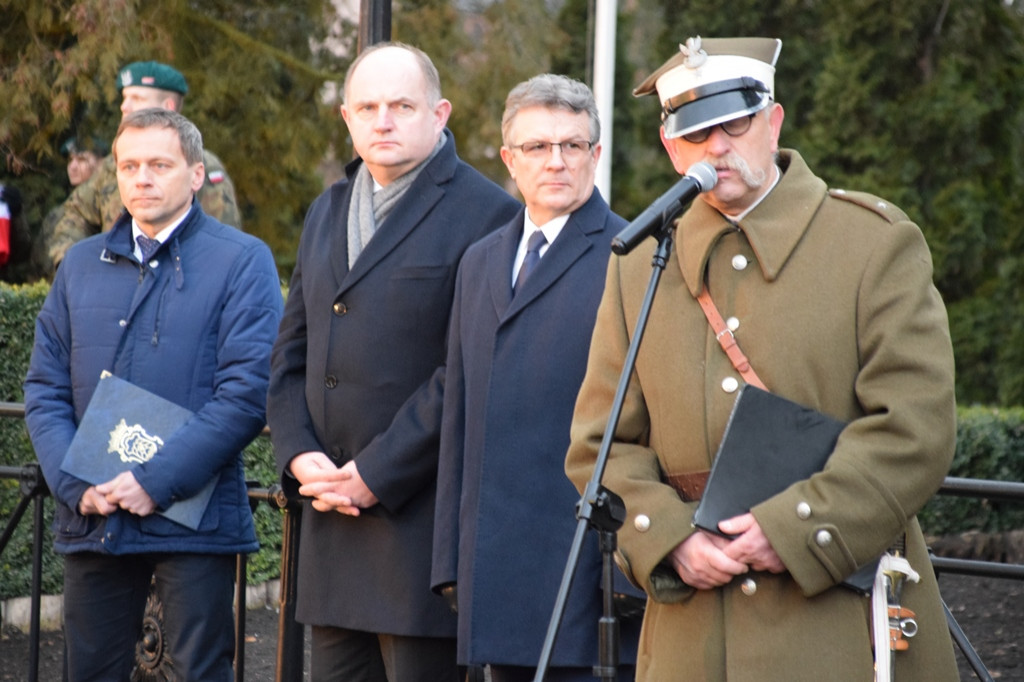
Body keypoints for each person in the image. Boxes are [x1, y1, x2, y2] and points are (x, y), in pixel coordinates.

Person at [564, 35, 959, 681]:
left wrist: (794, 528)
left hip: (835, 626)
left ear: (772, 122)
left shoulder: (872, 244)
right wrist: (668, 538)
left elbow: (915, 428)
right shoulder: (640, 265)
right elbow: (601, 444)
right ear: (670, 148)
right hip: (690, 633)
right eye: (695, 135)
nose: (717, 147)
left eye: (735, 124)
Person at [266, 42, 520, 682]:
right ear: (346, 118)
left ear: (439, 114)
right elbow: (291, 353)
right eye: (368, 107)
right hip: (328, 526)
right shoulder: (325, 211)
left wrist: (373, 473)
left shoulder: (490, 215)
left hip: (416, 539)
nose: (383, 120)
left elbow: (467, 370)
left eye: (401, 106)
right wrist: (299, 456)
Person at [24, 108, 283, 680]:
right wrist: (75, 487)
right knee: (88, 670)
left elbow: (247, 392)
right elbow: (44, 387)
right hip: (95, 518)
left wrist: (155, 481)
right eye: (129, 165)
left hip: (194, 519)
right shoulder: (80, 267)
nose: (142, 178)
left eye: (159, 165)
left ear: (195, 174)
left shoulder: (242, 261)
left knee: (199, 671)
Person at [430, 74, 642, 682]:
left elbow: (653, 425)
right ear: (508, 160)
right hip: (493, 579)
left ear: (596, 155)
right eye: (537, 147)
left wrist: (626, 574)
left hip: (584, 581)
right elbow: (460, 417)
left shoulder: (633, 256)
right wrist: (451, 559)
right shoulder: (480, 261)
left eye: (572, 146)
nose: (556, 161)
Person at [47, 60, 241, 269]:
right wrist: (77, 267)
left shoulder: (197, 165)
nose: (124, 106)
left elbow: (222, 246)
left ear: (168, 107)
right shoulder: (112, 166)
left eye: (136, 98)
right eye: (124, 98)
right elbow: (76, 214)